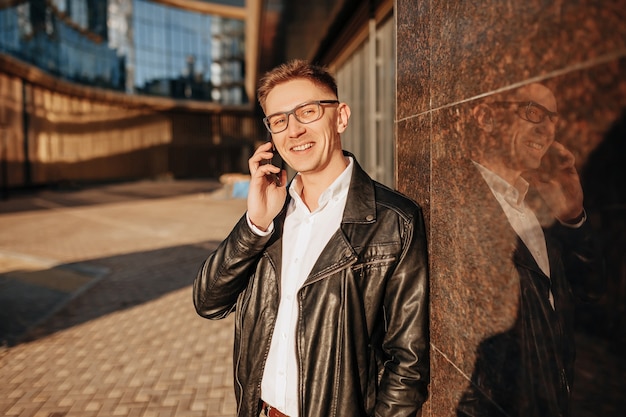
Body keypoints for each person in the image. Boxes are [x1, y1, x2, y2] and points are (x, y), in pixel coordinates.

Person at [193, 59, 430, 417]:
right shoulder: (270, 217)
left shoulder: (394, 220)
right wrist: (255, 224)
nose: (294, 131)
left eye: (307, 112)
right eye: (279, 120)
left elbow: (407, 362)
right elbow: (209, 302)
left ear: (341, 117)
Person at [455, 83, 604, 417]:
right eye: (533, 112)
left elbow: (591, 293)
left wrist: (573, 219)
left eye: (553, 119)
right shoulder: (455, 201)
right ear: (486, 117)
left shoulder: (532, 209)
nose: (547, 128)